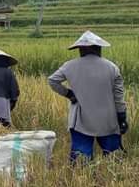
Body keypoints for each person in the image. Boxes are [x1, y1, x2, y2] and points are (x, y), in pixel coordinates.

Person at [48, 31, 127, 162]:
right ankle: (112, 180)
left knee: (81, 159)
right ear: (97, 48)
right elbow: (118, 98)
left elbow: (52, 80)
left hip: (81, 121)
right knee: (113, 158)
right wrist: (122, 117)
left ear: (81, 49)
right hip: (108, 120)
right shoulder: (112, 67)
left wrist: (69, 94)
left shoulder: (69, 66)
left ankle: (83, 179)